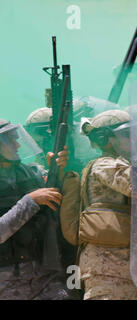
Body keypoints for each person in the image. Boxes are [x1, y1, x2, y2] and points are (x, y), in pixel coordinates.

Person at [78, 109, 137, 300]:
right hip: (108, 271)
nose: (135, 140)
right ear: (105, 139)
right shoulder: (102, 165)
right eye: (127, 135)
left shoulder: (130, 163)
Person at [0, 119, 70, 299]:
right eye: (9, 141)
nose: (17, 145)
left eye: (16, 139)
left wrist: (57, 171)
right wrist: (30, 202)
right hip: (7, 282)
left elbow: (55, 206)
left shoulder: (30, 173)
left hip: (45, 276)